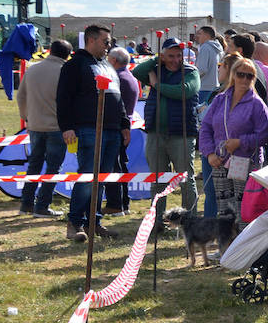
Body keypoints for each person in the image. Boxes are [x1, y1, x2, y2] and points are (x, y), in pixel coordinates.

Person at [56, 24, 127, 242]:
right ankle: (74, 222)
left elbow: (118, 97)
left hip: (112, 130)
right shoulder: (74, 65)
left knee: (102, 180)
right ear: (91, 40)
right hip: (87, 129)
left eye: (110, 43)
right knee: (88, 178)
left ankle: (94, 223)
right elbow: (63, 98)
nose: (109, 46)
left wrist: (124, 124)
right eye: (106, 42)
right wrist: (66, 126)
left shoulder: (107, 66)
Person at [133, 38, 201, 215]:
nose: (176, 59)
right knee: (157, 179)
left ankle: (190, 219)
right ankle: (156, 220)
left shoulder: (191, 71)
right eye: (170, 56)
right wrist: (156, 60)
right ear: (163, 56)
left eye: (179, 55)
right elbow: (137, 71)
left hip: (182, 135)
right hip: (156, 133)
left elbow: (184, 91)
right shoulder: (156, 69)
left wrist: (157, 85)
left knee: (186, 178)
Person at [198, 57, 268, 219]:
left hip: (246, 163)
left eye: (249, 76)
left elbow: (264, 135)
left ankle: (245, 244)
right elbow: (205, 128)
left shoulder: (256, 104)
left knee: (245, 211)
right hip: (219, 162)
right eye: (240, 74)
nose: (244, 79)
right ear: (233, 75)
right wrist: (209, 153)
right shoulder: (219, 100)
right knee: (225, 212)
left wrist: (240, 142)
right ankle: (227, 244)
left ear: (254, 79)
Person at [15, 38, 72, 217]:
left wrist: (27, 117)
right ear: (68, 55)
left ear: (49, 51)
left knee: (34, 165)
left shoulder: (32, 70)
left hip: (34, 125)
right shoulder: (66, 71)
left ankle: (26, 204)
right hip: (57, 127)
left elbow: (21, 96)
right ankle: (42, 206)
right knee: (53, 168)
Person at [102, 46, 138, 214]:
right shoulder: (128, 76)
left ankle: (115, 204)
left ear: (114, 61)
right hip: (122, 127)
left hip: (116, 127)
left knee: (113, 167)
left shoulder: (117, 78)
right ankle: (122, 203)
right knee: (119, 166)